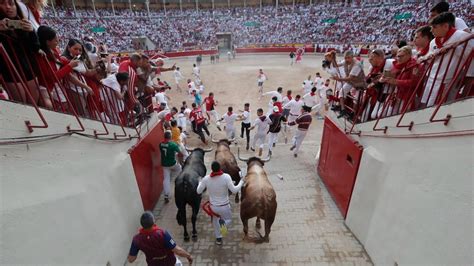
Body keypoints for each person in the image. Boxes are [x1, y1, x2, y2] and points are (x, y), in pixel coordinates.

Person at [421, 12, 473, 107]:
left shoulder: (461, 36)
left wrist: (466, 77)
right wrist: (428, 57)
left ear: (445, 26)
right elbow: (429, 57)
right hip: (432, 78)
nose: (431, 30)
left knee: (443, 107)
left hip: (448, 80)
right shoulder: (433, 41)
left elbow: (471, 58)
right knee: (428, 106)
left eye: (434, 27)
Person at [0, 0, 40, 103]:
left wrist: (32, 32)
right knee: (22, 105)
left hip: (29, 69)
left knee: (34, 104)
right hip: (10, 72)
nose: (8, 7)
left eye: (11, 3)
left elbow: (35, 48)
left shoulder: (23, 22)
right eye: (2, 3)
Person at [196, 161, 244, 245]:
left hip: (213, 207)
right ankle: (223, 226)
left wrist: (200, 182)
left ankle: (219, 238)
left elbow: (198, 191)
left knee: (215, 222)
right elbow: (234, 190)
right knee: (228, 220)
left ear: (211, 169)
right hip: (224, 206)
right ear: (220, 168)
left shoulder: (206, 179)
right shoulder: (226, 177)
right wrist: (241, 182)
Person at [128, 211, 193, 265]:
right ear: (153, 222)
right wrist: (188, 256)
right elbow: (177, 250)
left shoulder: (136, 239)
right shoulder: (163, 234)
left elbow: (131, 259)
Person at [380, 46, 422, 115]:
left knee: (398, 115)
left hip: (406, 96)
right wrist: (385, 78)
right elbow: (392, 77)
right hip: (396, 94)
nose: (398, 58)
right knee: (384, 114)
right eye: (397, 56)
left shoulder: (414, 66)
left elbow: (414, 82)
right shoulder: (398, 65)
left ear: (409, 55)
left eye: (401, 56)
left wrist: (396, 81)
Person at [331, 50, 366, 119]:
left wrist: (338, 79)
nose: (346, 59)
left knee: (356, 100)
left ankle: (354, 113)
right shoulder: (346, 61)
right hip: (352, 82)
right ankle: (343, 109)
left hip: (360, 84)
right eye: (345, 58)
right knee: (342, 92)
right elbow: (336, 65)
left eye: (348, 58)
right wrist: (333, 58)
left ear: (352, 57)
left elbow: (350, 77)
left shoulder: (357, 65)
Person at [159, 131, 182, 203]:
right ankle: (179, 183)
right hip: (173, 164)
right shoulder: (173, 145)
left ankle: (166, 195)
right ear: (170, 137)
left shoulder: (160, 144)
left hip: (165, 165)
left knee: (166, 179)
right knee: (180, 170)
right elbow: (180, 154)